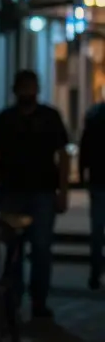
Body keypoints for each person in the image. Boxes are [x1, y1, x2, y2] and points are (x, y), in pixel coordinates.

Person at [0, 69, 69, 318]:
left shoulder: (50, 118)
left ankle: (39, 301)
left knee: (41, 248)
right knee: (12, 249)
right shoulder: (4, 120)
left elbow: (62, 156)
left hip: (42, 191)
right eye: (24, 88)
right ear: (16, 90)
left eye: (31, 87)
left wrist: (62, 191)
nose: (27, 92)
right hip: (11, 191)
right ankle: (11, 299)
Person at [79, 99, 105, 290]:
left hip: (98, 178)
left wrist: (82, 174)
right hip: (98, 179)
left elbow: (84, 147)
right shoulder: (94, 115)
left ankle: (95, 273)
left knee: (97, 229)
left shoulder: (94, 115)